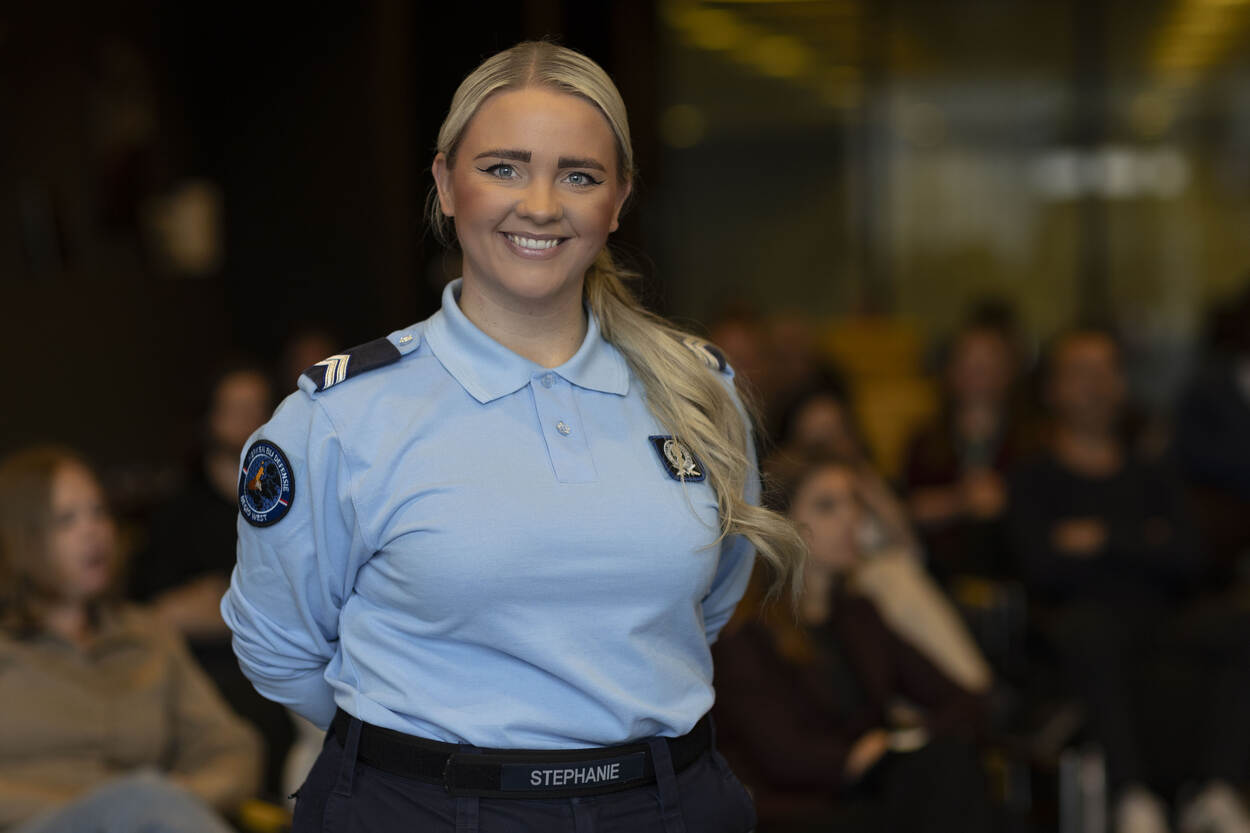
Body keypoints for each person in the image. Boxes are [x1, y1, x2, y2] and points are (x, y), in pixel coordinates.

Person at [221, 41, 804, 833]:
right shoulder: (343, 414)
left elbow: (704, 603)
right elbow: (279, 646)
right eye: (503, 167)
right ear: (444, 183)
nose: (539, 204)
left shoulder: (700, 391)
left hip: (667, 802)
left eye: (579, 175)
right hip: (422, 809)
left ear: (620, 199)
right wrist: (422, 760)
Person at [1007, 328, 1250, 833]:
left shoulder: (1154, 472)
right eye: (1082, 373)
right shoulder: (1033, 477)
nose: (1096, 385)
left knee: (1238, 624)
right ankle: (1131, 796)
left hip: (1162, 618)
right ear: (1052, 389)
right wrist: (1144, 540)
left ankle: (1220, 791)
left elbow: (1189, 558)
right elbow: (1043, 567)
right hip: (1081, 625)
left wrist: (1099, 539)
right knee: (1089, 630)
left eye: (1107, 371)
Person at [713, 454, 992, 833]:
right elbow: (781, 756)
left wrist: (900, 743)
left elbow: (961, 699)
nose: (851, 518)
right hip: (803, 808)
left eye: (854, 502)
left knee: (949, 763)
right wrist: (857, 757)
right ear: (782, 524)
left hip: (876, 792)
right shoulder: (745, 632)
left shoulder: (859, 615)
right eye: (827, 506)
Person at [0, 446, 260, 833]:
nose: (94, 532)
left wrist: (180, 797)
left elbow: (231, 747)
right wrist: (106, 807)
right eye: (66, 520)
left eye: (99, 512)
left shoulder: (147, 634)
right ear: (21, 538)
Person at [129, 362, 294, 799]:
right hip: (210, 675)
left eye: (259, 407)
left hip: (292, 666)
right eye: (235, 409)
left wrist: (226, 601)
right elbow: (154, 614)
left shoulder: (295, 505)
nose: (250, 420)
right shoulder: (176, 514)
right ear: (210, 419)